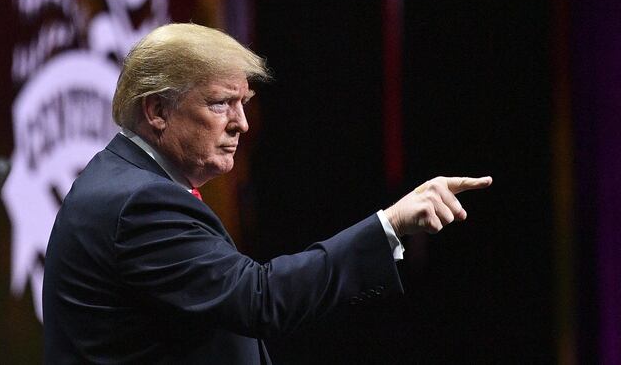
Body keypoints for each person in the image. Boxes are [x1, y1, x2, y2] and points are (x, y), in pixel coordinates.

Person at [43, 23, 491, 364]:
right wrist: (389, 225)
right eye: (221, 103)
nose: (242, 123)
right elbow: (258, 299)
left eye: (245, 103)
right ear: (158, 110)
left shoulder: (129, 182)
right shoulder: (139, 204)